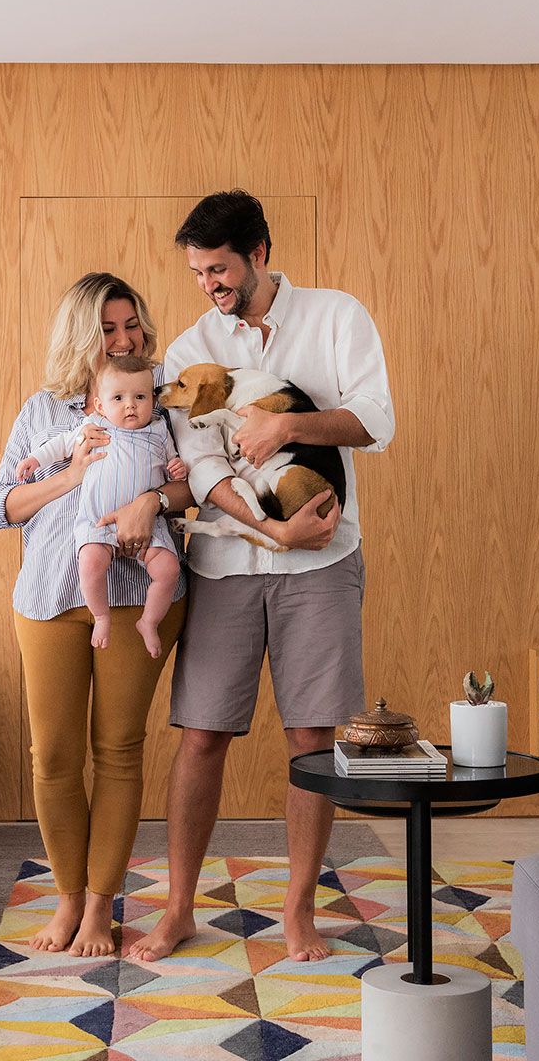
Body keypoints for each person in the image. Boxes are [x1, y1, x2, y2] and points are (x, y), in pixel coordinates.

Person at [125, 190, 395, 965]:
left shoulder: (337, 317)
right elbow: (202, 464)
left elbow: (377, 420)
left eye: (219, 269)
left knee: (312, 737)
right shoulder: (190, 348)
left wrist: (287, 425)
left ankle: (298, 911)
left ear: (260, 254)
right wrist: (270, 528)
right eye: (198, 272)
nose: (208, 284)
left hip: (324, 559)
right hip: (227, 560)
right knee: (202, 733)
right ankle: (178, 910)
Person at [0, 273, 198, 957]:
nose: (125, 339)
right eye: (109, 328)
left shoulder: (161, 399)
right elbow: (0, 506)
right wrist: (72, 477)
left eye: (132, 325)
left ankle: (101, 907)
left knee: (119, 751)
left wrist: (153, 500)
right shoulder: (43, 411)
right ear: (81, 335)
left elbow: (196, 480)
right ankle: (68, 897)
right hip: (49, 598)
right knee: (52, 757)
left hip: (138, 597)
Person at [16, 355, 189, 658]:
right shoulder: (95, 426)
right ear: (100, 405)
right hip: (98, 521)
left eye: (140, 397)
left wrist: (177, 468)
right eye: (118, 398)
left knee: (168, 570)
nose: (130, 406)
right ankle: (102, 616)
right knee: (90, 564)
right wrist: (35, 459)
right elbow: (61, 444)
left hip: (148, 527)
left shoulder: (159, 430)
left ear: (152, 400)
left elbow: (173, 463)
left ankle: (149, 621)